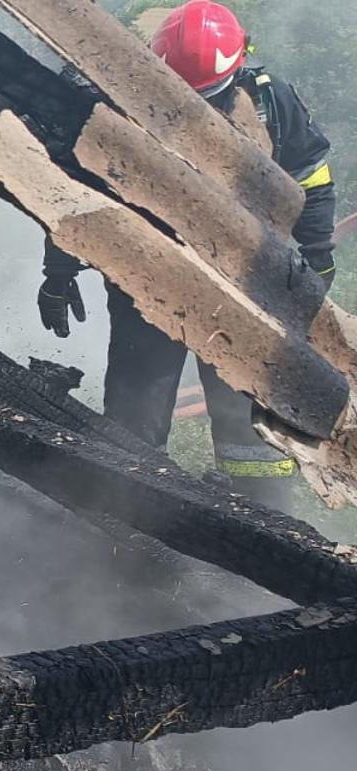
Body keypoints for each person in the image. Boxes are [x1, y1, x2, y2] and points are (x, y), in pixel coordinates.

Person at [37, 0, 337, 507]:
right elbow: (77, 193)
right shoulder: (119, 105)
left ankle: (266, 528)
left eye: (209, 96)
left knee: (249, 419)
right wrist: (59, 269)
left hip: (247, 289)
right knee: (137, 408)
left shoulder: (270, 103)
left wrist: (319, 258)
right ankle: (126, 529)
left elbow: (310, 178)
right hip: (149, 278)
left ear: (239, 68)